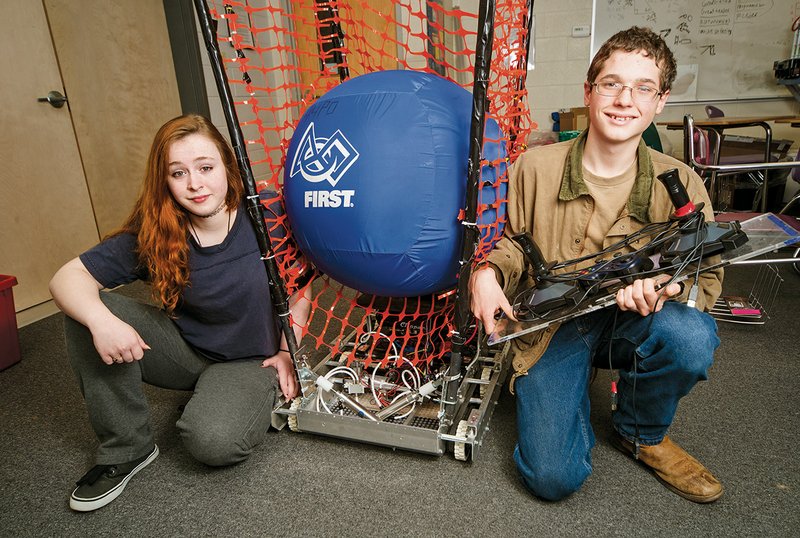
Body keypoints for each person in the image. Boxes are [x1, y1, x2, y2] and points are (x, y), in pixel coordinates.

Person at [470, 27, 724, 503]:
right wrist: (486, 272)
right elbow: (511, 244)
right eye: (611, 83)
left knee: (690, 336)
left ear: (660, 101)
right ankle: (571, 386)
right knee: (551, 478)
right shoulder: (532, 168)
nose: (625, 100)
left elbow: (705, 275)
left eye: (643, 88)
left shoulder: (682, 183)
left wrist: (668, 290)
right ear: (589, 91)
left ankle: (638, 432)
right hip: (555, 325)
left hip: (639, 321)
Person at [50, 114, 310, 512]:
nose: (195, 184)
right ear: (165, 181)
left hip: (248, 360)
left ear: (227, 164)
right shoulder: (156, 228)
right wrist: (102, 322)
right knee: (85, 309)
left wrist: (288, 353)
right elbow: (68, 277)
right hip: (183, 349)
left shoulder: (268, 211)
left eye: (205, 167)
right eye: (178, 172)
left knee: (213, 442)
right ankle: (127, 448)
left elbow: (300, 289)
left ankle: (227, 398)